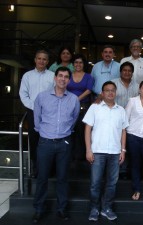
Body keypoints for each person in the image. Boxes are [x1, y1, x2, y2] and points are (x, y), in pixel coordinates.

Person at [32, 67, 80, 223]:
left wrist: (63, 134)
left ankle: (61, 209)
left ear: (69, 80)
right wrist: (45, 132)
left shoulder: (73, 99)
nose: (63, 79)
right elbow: (37, 120)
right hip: (45, 142)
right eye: (60, 76)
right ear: (55, 78)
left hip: (64, 144)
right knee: (42, 178)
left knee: (62, 178)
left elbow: (74, 120)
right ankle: (39, 209)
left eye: (66, 77)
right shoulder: (41, 97)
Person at [83, 81, 129, 222]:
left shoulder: (121, 110)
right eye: (107, 90)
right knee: (95, 183)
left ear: (116, 93)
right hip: (97, 151)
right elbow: (87, 129)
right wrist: (88, 150)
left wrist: (123, 150)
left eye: (112, 90)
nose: (110, 93)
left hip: (115, 152)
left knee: (111, 183)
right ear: (102, 93)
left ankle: (107, 208)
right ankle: (94, 208)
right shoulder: (94, 108)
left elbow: (123, 131)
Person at [19, 49, 55, 178]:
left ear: (48, 61)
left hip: (49, 112)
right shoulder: (27, 76)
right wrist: (34, 106)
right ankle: (36, 168)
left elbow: (56, 93)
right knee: (34, 140)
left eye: (44, 59)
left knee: (48, 139)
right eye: (39, 58)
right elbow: (23, 94)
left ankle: (50, 168)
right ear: (35, 60)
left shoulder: (52, 75)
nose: (41, 61)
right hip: (33, 111)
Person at [67, 54, 94, 161]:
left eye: (80, 62)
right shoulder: (68, 75)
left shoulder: (88, 76)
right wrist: (71, 101)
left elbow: (89, 90)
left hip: (84, 107)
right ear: (73, 64)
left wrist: (76, 99)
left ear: (84, 64)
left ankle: (82, 157)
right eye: (76, 62)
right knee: (70, 130)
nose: (78, 64)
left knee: (82, 130)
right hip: (68, 106)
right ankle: (71, 156)